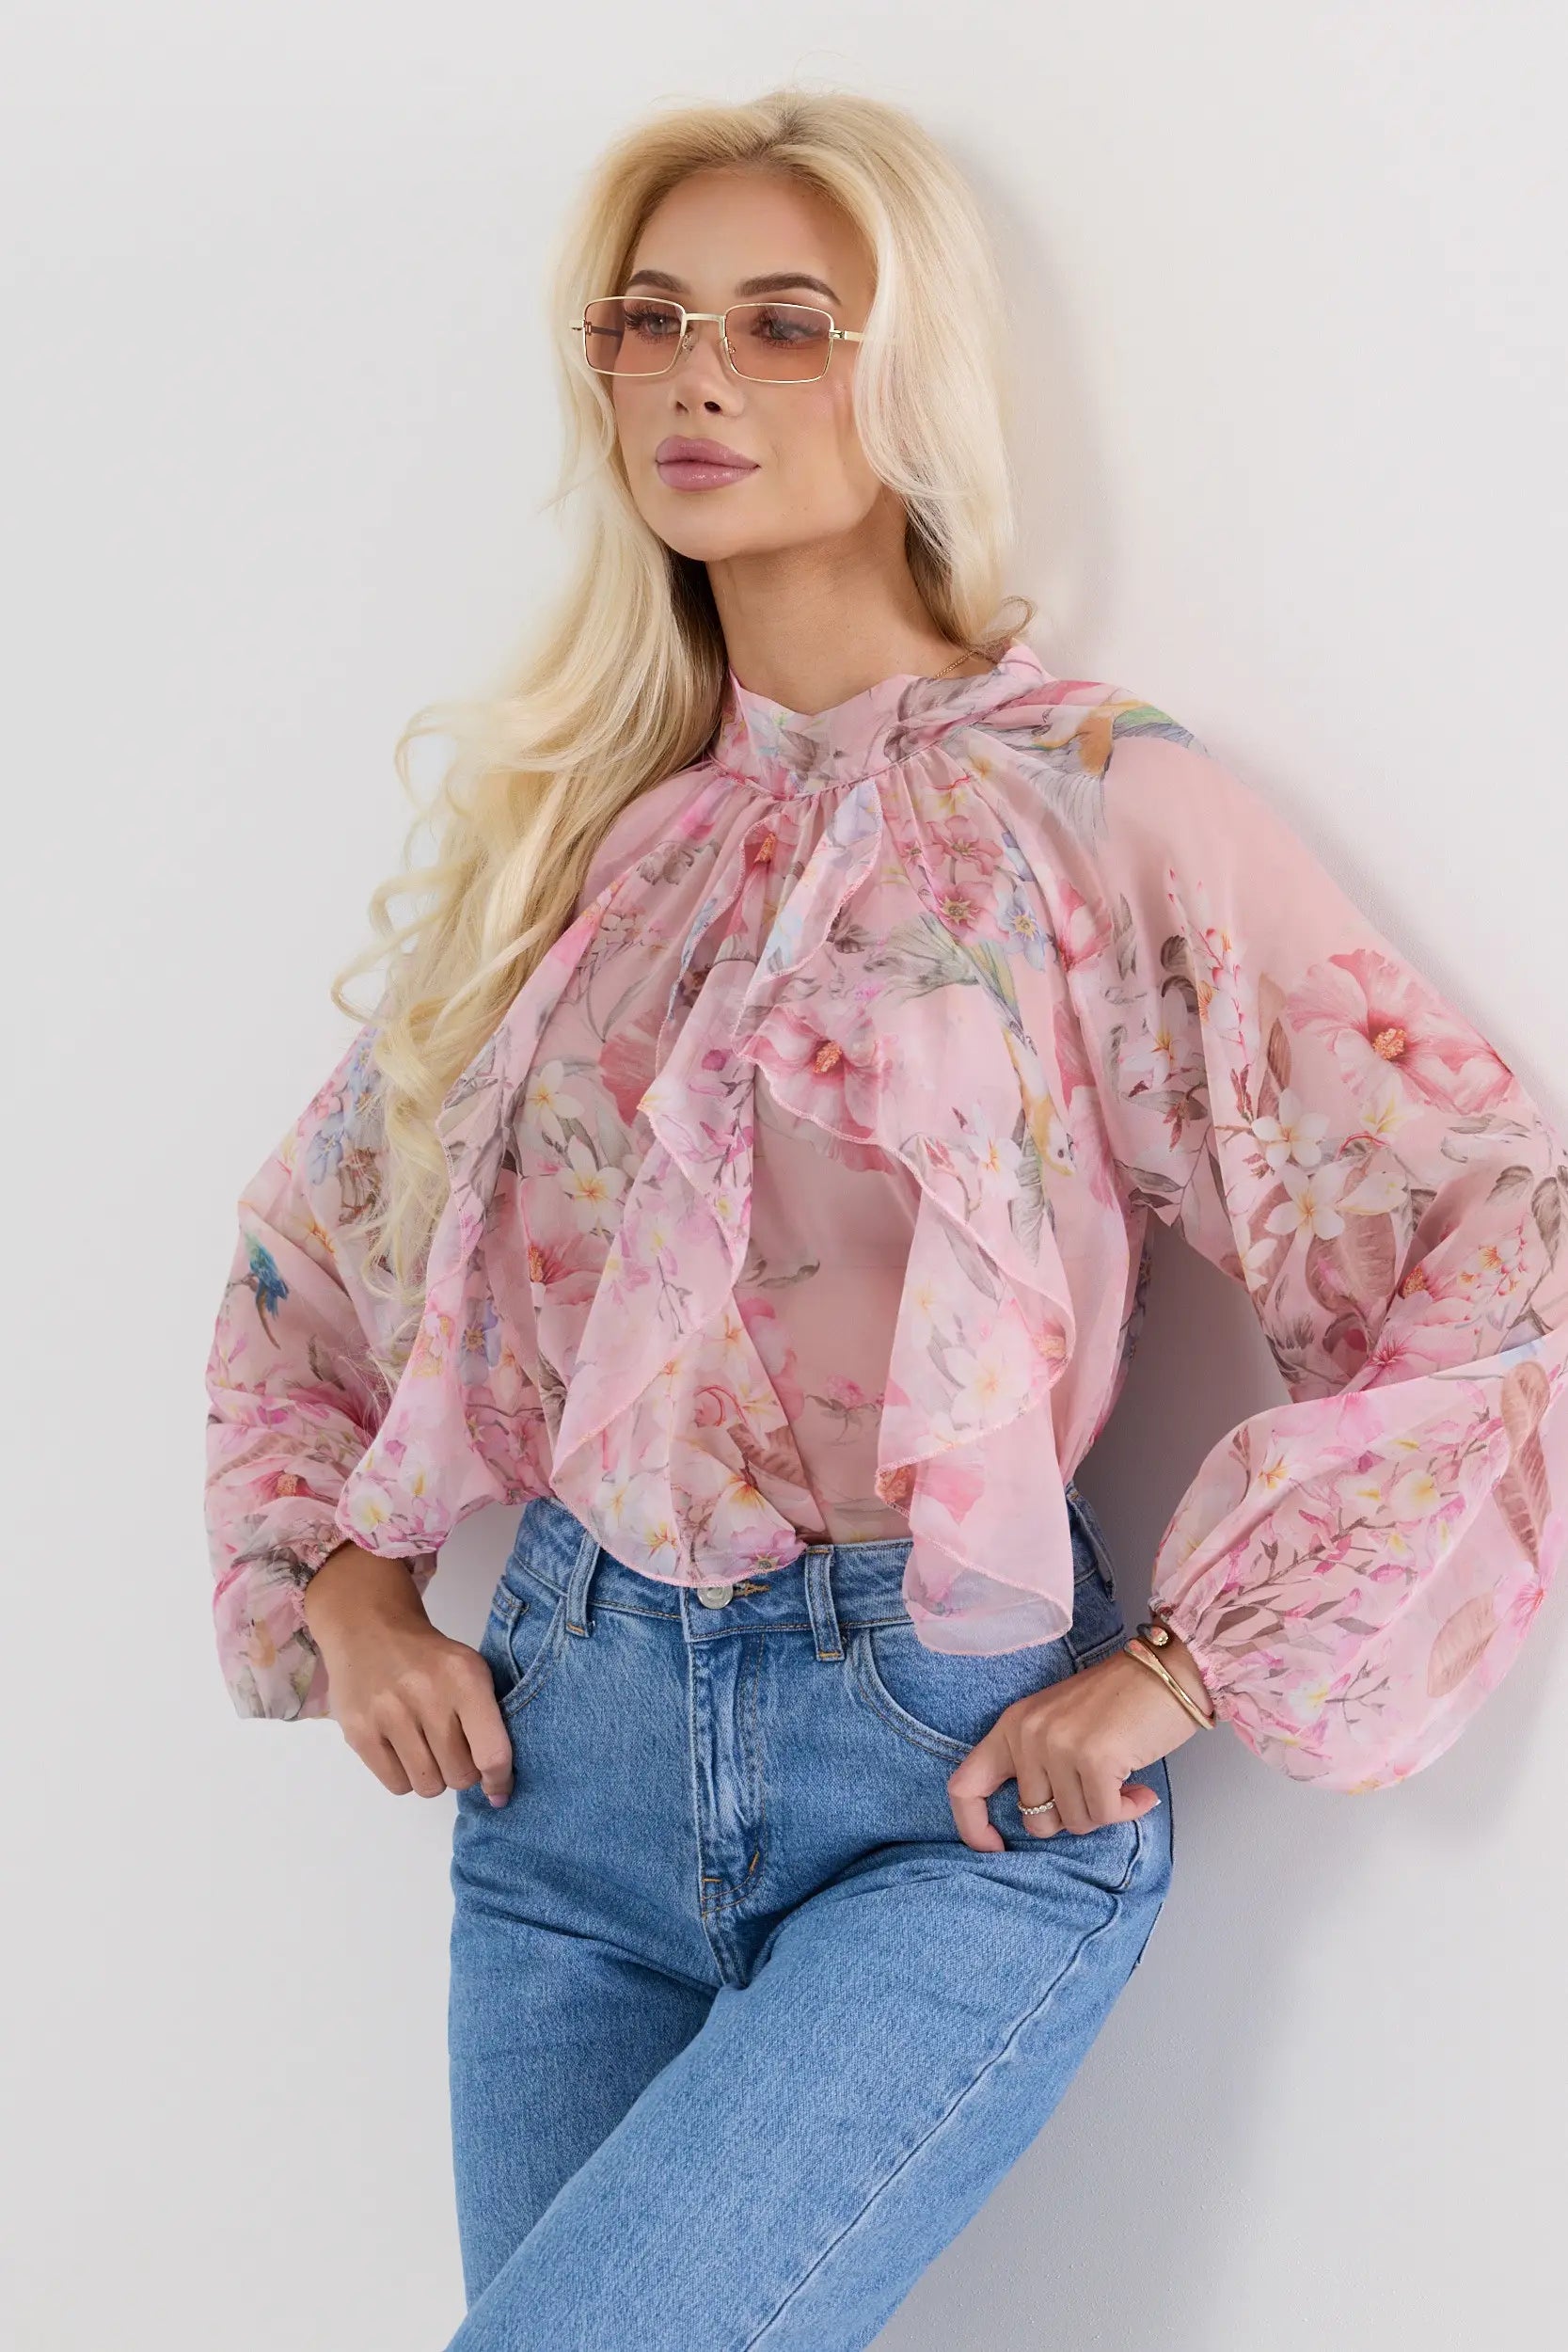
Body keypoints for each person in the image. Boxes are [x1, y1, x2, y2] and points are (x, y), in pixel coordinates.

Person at [201, 87, 1568, 2352]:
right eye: (649, 321)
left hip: (940, 1789)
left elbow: (1491, 1225)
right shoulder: (592, 840)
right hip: (562, 1780)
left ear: (909, 375)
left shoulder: (1096, 805)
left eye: (784, 324)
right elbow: (311, 1261)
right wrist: (343, 1591)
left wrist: (1185, 1667)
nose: (699, 377)